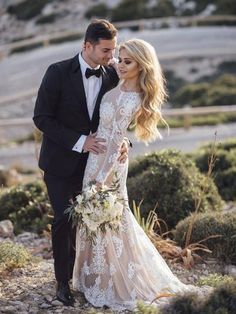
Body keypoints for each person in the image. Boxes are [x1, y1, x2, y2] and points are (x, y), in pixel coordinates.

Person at [72, 39, 195, 311]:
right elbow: (114, 63)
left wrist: (103, 176)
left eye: (128, 61)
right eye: (120, 58)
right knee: (92, 217)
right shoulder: (117, 76)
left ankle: (115, 282)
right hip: (94, 157)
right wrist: (118, 60)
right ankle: (91, 277)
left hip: (111, 163)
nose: (121, 64)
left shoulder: (135, 96)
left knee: (111, 215)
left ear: (141, 65)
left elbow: (118, 139)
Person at [33, 19, 130, 306]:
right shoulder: (57, 72)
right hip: (60, 163)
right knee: (65, 219)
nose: (111, 57)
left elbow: (118, 122)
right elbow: (41, 118)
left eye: (113, 50)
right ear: (86, 46)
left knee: (93, 222)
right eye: (105, 50)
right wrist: (80, 141)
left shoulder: (112, 76)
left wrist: (125, 145)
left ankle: (87, 278)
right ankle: (62, 283)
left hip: (97, 167)